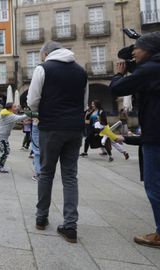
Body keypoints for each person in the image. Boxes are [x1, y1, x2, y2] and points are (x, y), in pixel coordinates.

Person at [27, 41, 90, 243]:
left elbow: (31, 101)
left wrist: (44, 109)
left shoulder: (43, 68)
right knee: (70, 176)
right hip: (75, 129)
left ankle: (41, 218)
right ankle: (70, 226)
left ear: (45, 53)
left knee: (46, 172)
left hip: (51, 127)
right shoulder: (81, 71)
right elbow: (84, 103)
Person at [110, 31, 160, 248]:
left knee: (154, 185)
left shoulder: (151, 69)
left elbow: (116, 89)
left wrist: (119, 75)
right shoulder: (152, 67)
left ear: (148, 49)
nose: (133, 54)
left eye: (137, 48)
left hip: (156, 136)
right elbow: (127, 53)